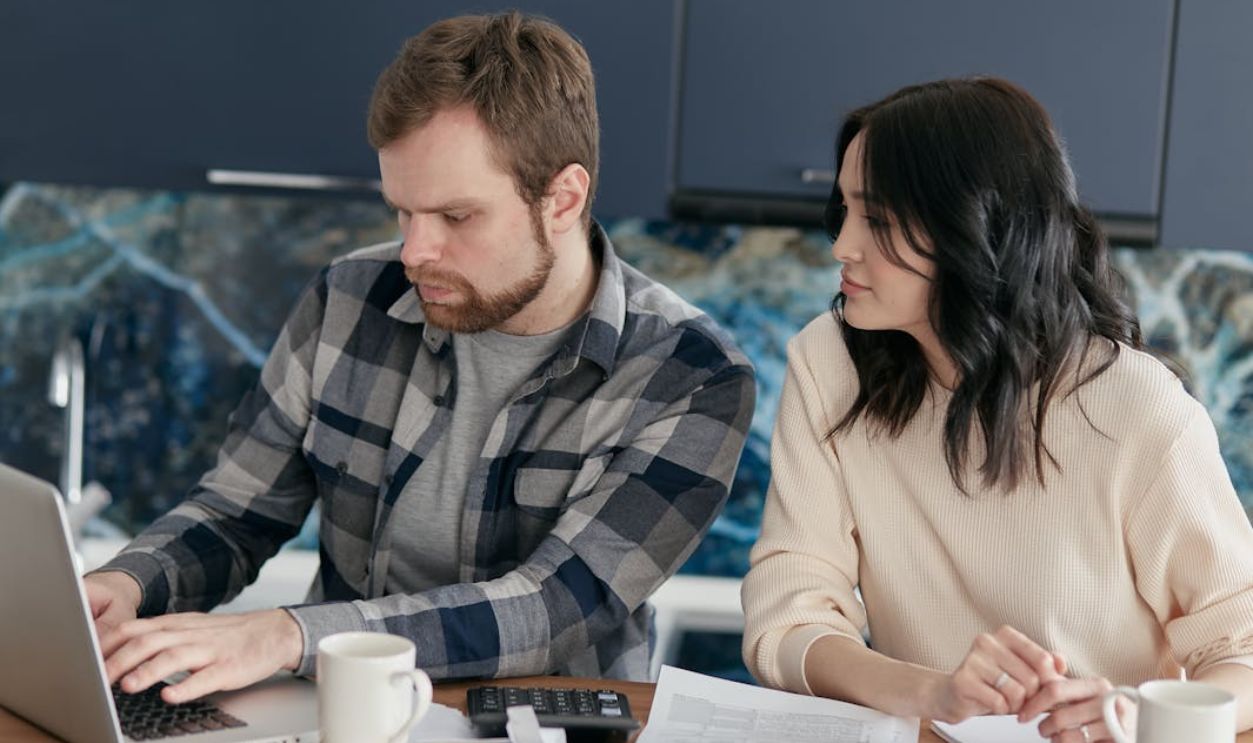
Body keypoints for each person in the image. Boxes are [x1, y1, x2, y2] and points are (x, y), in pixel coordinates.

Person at [85, 12, 755, 703]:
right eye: (402, 211)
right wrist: (129, 582)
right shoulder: (349, 296)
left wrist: (287, 634)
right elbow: (237, 511)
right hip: (342, 714)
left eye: (455, 217)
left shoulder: (692, 375)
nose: (413, 252)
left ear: (562, 198)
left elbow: (554, 607)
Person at [741, 77, 1253, 741]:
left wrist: (1127, 712)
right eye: (843, 210)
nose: (841, 245)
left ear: (975, 228)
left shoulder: (1137, 409)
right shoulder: (827, 362)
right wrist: (933, 690)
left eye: (878, 220)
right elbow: (783, 618)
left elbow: (1243, 649)